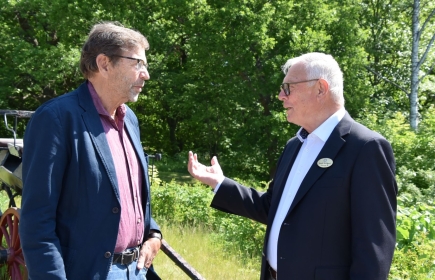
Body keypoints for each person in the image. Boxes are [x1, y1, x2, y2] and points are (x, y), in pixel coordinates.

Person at [188, 52, 397, 280]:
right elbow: (272, 207)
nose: (280, 96)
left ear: (320, 88)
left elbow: (374, 250)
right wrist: (219, 183)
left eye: (288, 88)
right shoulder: (294, 145)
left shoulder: (365, 148)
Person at [20, 22, 162, 280]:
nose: (146, 74)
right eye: (138, 63)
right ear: (104, 64)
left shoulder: (129, 119)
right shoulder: (56, 119)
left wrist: (153, 235)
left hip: (138, 271)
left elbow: (132, 194)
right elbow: (36, 221)